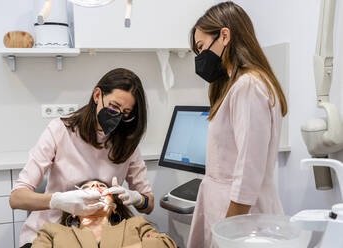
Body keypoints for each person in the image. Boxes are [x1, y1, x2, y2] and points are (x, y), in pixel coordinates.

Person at [9, 68, 154, 248]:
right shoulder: (60, 130)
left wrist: (138, 199)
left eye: (125, 113)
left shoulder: (127, 142)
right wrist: (57, 201)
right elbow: (16, 198)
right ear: (97, 95)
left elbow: (148, 204)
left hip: (101, 236)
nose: (117, 117)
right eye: (113, 107)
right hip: (50, 232)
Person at [187, 2, 288, 248]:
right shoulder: (236, 86)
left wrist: (228, 232)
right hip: (229, 211)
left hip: (242, 218)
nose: (200, 58)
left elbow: (248, 171)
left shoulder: (249, 86)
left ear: (224, 35)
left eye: (201, 48)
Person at [32, 179, 176, 248]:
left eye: (102, 186)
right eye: (86, 188)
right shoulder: (52, 231)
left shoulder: (135, 224)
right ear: (73, 210)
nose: (95, 186)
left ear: (113, 207)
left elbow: (166, 244)